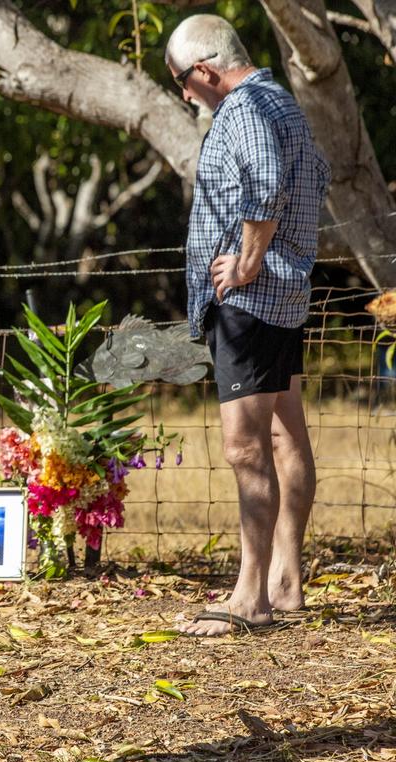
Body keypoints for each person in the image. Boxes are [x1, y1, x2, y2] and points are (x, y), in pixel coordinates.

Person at [165, 16, 330, 636]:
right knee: (287, 435)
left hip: (253, 300)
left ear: (204, 70)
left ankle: (249, 597)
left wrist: (249, 260)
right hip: (282, 296)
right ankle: (287, 582)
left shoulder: (243, 109)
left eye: (183, 82)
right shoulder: (281, 101)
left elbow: (264, 182)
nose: (185, 95)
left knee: (243, 444)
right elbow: (314, 176)